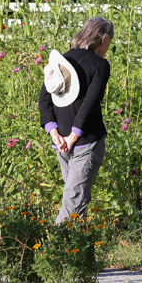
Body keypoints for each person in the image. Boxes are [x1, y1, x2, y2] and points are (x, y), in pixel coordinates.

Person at [38, 17, 114, 225]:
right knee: (74, 201)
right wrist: (73, 136)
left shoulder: (61, 61)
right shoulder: (100, 65)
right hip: (85, 142)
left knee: (76, 199)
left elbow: (44, 100)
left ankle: (82, 256)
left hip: (61, 143)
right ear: (104, 39)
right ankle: (53, 251)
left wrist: (55, 134)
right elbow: (90, 103)